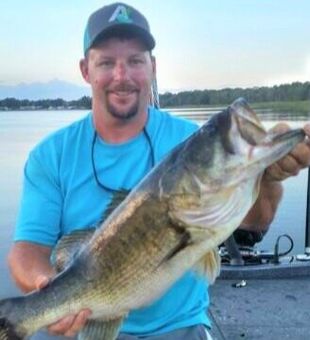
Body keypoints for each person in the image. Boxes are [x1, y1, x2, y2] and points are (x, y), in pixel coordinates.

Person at [8, 2, 310, 339]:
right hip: (95, 327)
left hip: (184, 327)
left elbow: (255, 223)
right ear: (85, 70)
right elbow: (27, 252)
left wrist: (268, 177)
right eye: (106, 62)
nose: (122, 76)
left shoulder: (186, 139)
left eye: (135, 61)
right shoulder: (50, 156)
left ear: (152, 67)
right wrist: (45, 288)